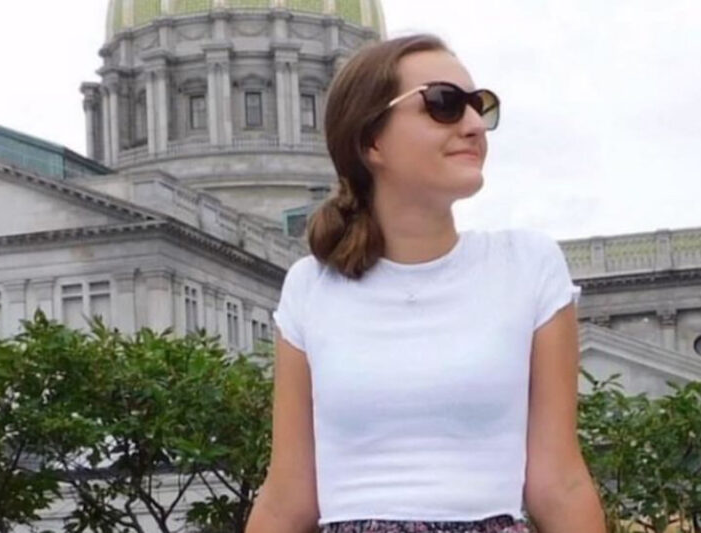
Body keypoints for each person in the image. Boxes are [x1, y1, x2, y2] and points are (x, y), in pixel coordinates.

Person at [245, 34, 606, 533]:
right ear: (371, 141)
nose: (475, 125)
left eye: (480, 107)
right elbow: (288, 499)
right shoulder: (310, 287)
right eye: (444, 104)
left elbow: (559, 483)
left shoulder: (527, 264)